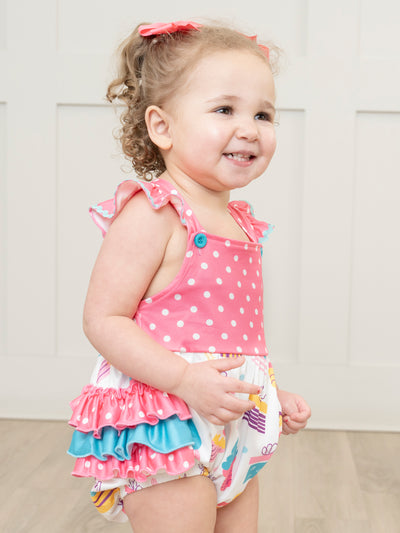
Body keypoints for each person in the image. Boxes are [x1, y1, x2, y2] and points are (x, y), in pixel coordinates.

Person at [68, 20, 311, 532]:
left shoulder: (241, 223)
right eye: (224, 110)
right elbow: (104, 319)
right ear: (163, 127)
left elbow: (228, 338)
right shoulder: (154, 214)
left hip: (233, 427)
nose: (249, 128)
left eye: (263, 114)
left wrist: (268, 393)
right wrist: (183, 380)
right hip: (168, 423)